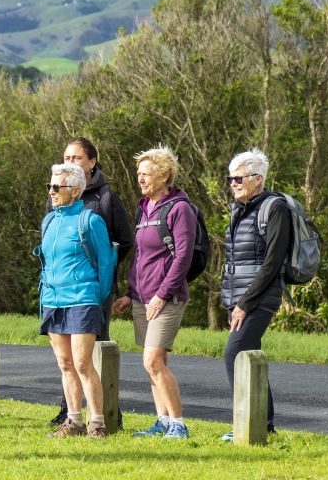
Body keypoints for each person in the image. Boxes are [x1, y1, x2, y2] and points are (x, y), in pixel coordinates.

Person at [49, 137, 133, 427]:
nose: (69, 162)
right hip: (56, 297)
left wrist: (98, 284)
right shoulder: (52, 213)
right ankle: (70, 416)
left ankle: (105, 417)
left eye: (76, 157)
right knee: (67, 362)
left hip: (89, 293)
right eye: (66, 157)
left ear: (91, 162)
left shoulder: (104, 200)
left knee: (88, 359)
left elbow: (119, 245)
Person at [112, 146, 195, 439]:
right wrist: (129, 293)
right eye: (139, 174)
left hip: (167, 298)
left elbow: (182, 257)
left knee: (152, 361)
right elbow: (142, 258)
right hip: (141, 297)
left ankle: (179, 425)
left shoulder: (179, 208)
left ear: (165, 176)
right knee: (153, 365)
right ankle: (162, 421)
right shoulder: (144, 208)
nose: (141, 179)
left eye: (146, 174)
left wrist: (161, 294)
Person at [38, 163, 115, 438]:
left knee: (83, 362)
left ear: (76, 190)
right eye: (50, 186)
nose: (51, 192)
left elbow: (106, 265)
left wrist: (96, 295)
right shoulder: (49, 220)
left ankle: (97, 423)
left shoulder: (91, 220)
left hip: (82, 299)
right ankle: (74, 421)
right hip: (53, 299)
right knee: (65, 363)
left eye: (57, 187)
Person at [219, 148, 289, 441]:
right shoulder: (240, 209)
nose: (233, 183)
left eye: (239, 178)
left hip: (261, 296)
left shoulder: (275, 208)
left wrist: (245, 303)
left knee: (234, 353)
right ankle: (264, 425)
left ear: (258, 179)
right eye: (231, 179)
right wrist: (232, 300)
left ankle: (252, 423)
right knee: (247, 355)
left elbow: (272, 262)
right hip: (239, 297)